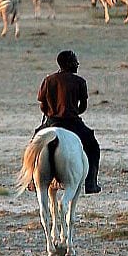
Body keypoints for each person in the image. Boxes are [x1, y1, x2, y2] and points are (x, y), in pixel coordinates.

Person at [33, 50, 102, 194]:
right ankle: (91, 182)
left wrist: (50, 111)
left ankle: (31, 180)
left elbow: (42, 105)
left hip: (52, 121)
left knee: (34, 143)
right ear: (69, 64)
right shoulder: (80, 82)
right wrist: (73, 111)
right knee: (93, 145)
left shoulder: (48, 80)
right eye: (75, 61)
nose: (77, 64)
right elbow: (82, 106)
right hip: (73, 123)